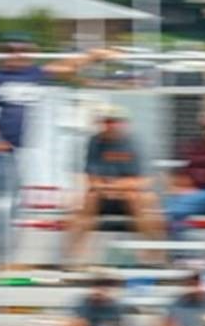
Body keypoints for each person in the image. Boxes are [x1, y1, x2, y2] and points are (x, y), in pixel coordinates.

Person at [0, 35, 113, 267]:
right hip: (5, 150)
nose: (17, 54)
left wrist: (94, 55)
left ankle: (5, 248)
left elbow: (64, 66)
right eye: (10, 50)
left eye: (22, 50)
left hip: (25, 148)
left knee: (17, 201)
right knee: (3, 200)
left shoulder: (33, 75)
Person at [68, 107, 163, 257]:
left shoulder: (135, 143)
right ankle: (74, 258)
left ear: (124, 124)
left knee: (142, 200)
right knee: (86, 201)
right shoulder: (95, 142)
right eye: (107, 122)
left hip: (129, 195)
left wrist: (115, 187)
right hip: (103, 195)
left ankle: (154, 255)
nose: (111, 126)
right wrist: (105, 188)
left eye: (115, 122)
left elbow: (145, 180)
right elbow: (91, 177)